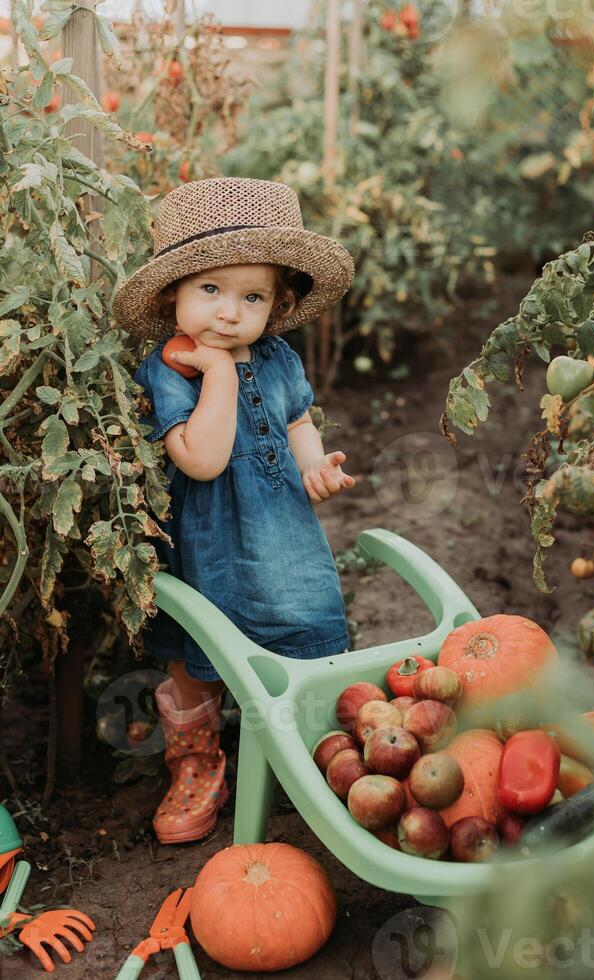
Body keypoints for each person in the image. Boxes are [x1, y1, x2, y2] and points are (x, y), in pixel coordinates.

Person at [112, 176, 356, 844]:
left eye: (252, 297)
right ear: (174, 295)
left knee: (297, 629)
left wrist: (314, 466)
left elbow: (298, 418)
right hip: (207, 542)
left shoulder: (278, 358)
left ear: (277, 305)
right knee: (197, 661)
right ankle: (198, 764)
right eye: (211, 290)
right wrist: (217, 374)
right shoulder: (169, 370)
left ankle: (306, 746)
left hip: (281, 534)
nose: (228, 312)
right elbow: (202, 459)